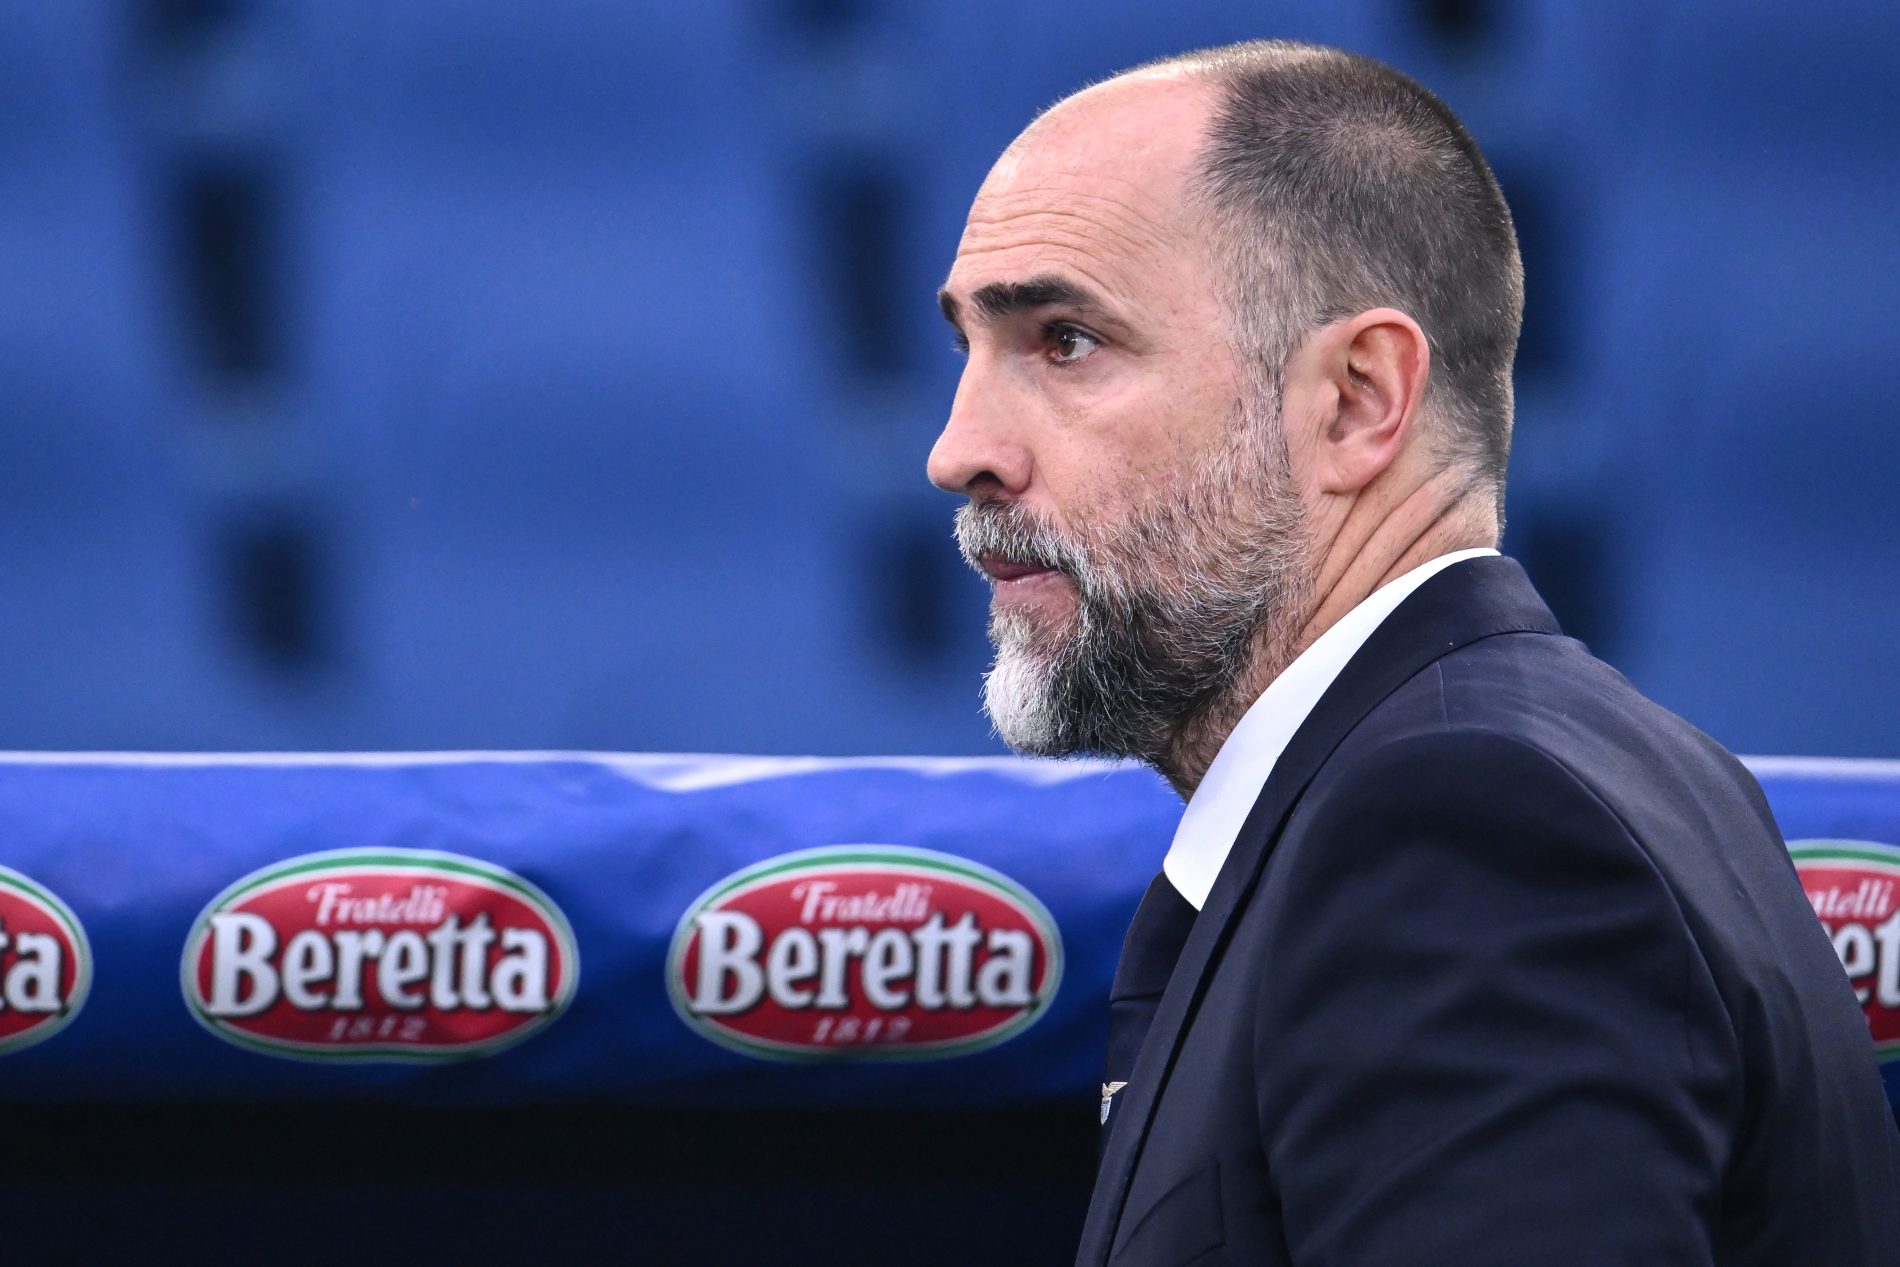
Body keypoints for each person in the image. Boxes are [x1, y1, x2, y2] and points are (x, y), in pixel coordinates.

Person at [926, 39, 1900, 1267]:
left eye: (1064, 340)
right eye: (966, 347)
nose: (957, 451)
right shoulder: (1553, 773)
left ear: (1356, 399)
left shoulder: (1463, 825)